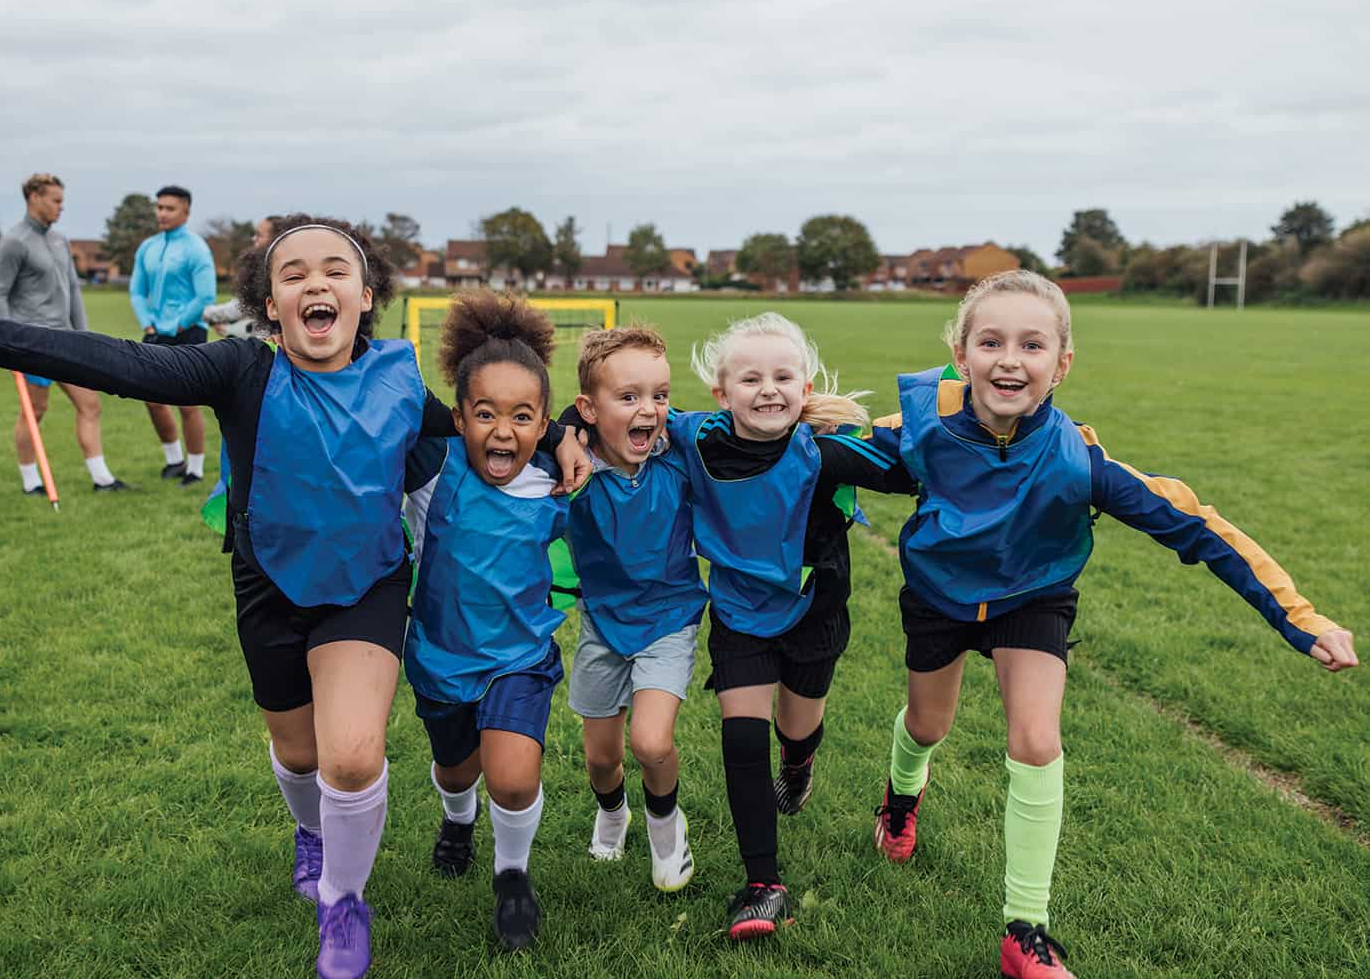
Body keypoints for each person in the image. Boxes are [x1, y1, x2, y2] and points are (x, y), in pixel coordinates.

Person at [0, 223, 588, 979]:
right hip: (270, 589)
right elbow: (125, 363)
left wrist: (568, 432)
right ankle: (310, 833)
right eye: (295, 274)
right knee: (300, 755)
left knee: (351, 756)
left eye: (335, 270)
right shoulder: (242, 371)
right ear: (269, 306)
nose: (316, 284)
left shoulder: (400, 379)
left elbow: (492, 430)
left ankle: (343, 903)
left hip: (367, 590)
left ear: (366, 296)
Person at [864, 270, 1358, 979]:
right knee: (927, 726)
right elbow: (820, 458)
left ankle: (1024, 930)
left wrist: (1299, 617)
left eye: (1032, 345)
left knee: (1036, 740)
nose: (1010, 359)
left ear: (1061, 364)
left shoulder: (1079, 464)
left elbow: (1199, 527)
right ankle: (901, 798)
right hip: (939, 597)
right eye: (991, 341)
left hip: (1033, 596)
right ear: (961, 352)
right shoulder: (921, 431)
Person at [671, 312, 916, 940]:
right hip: (739, 614)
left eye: (784, 376)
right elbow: (623, 418)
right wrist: (566, 428)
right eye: (750, 378)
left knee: (796, 726)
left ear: (805, 391)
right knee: (743, 738)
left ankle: (800, 764)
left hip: (815, 612)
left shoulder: (826, 451)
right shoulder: (695, 439)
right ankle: (763, 883)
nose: (769, 389)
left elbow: (908, 471)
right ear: (722, 395)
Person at [401, 292, 568, 952]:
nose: (504, 432)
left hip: (519, 658)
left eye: (523, 417)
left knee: (514, 775)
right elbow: (383, 397)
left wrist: (571, 439)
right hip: (439, 658)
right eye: (486, 413)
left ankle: (512, 880)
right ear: (459, 416)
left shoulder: (558, 476)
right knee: (456, 773)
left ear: (544, 422)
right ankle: (457, 821)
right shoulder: (430, 469)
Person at [560, 326, 705, 891]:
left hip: (670, 618)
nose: (650, 409)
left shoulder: (680, 452)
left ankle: (666, 827)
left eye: (660, 395)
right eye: (629, 397)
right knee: (601, 760)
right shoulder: (568, 468)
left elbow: (742, 425)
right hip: (602, 623)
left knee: (650, 741)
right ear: (588, 410)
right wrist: (563, 435)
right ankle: (613, 811)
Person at [0, 172, 127, 493]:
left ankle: (102, 478)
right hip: (31, 342)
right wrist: (4, 344)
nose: (61, 207)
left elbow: (74, 292)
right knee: (35, 411)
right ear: (34, 197)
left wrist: (84, 336)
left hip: (66, 340)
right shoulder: (14, 241)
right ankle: (30, 481)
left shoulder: (59, 240)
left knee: (90, 404)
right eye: (56, 200)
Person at [129, 185, 216, 485]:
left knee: (187, 403)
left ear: (186, 212)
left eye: (169, 208)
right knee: (151, 399)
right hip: (154, 330)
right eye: (159, 207)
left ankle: (195, 469)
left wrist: (180, 325)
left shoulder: (196, 248)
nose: (162, 213)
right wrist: (148, 323)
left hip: (188, 330)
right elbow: (137, 291)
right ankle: (174, 459)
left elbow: (205, 296)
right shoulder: (148, 247)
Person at [204, 216, 281, 340]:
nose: (253, 239)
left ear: (274, 239)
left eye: (259, 235)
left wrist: (207, 313)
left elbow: (241, 307)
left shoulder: (266, 272)